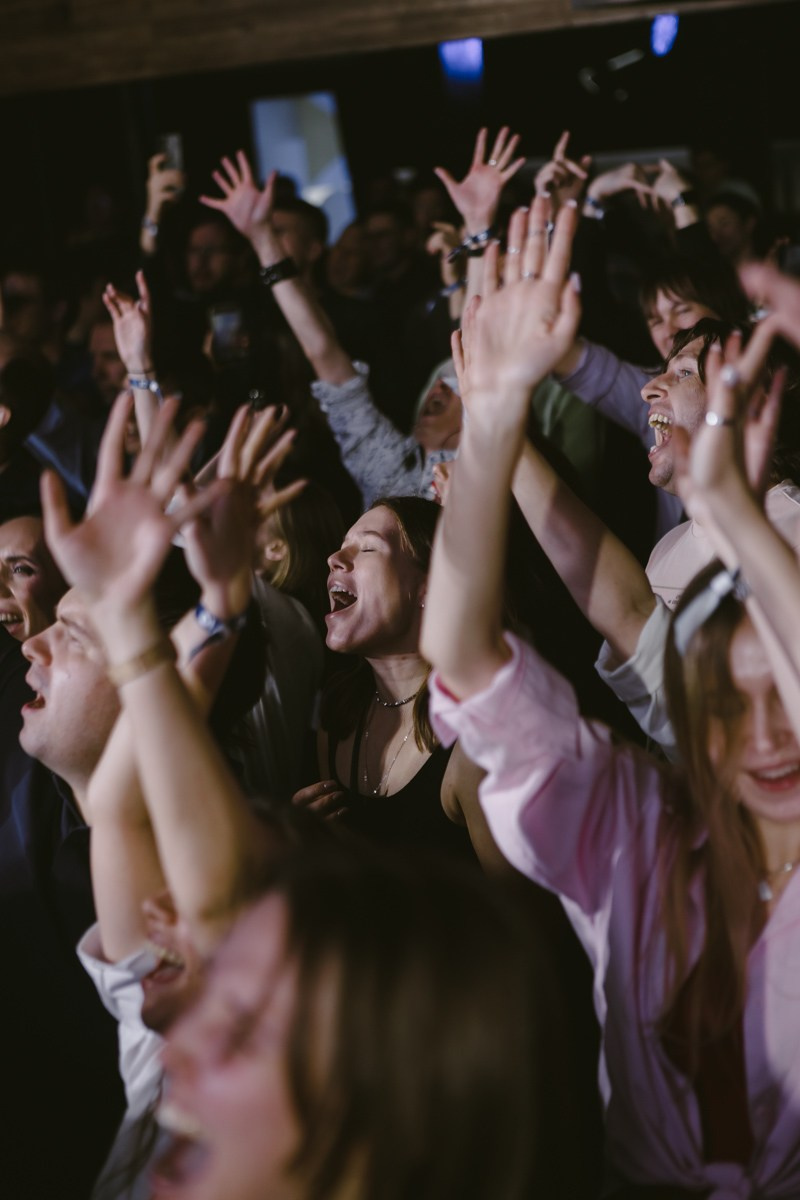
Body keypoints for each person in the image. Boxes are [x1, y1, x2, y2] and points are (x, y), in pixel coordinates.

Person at [422, 201, 800, 1196]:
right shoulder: (633, 843)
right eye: (721, 704)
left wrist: (731, 506)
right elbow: (581, 619)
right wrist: (492, 421)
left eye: (784, 698)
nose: (765, 738)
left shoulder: (776, 527)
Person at [200, 152, 462, 507]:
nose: (437, 391)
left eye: (282, 233)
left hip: (328, 475)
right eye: (439, 384)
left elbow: (328, 356)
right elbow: (331, 369)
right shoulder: (389, 471)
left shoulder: (359, 317)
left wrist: (476, 237)